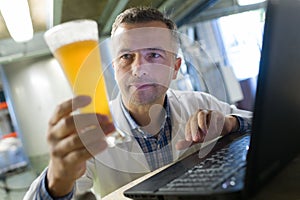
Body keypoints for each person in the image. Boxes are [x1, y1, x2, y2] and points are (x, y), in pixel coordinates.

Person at [24, 6, 252, 199]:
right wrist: (56, 179)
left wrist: (231, 124)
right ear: (114, 68)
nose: (138, 69)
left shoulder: (199, 103)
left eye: (154, 55)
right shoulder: (94, 131)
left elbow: (261, 123)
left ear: (175, 67)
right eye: (126, 56)